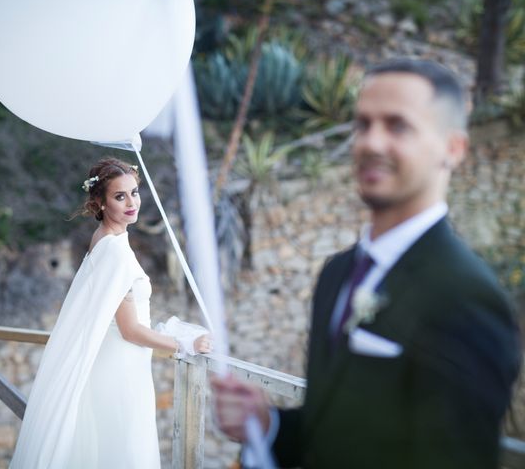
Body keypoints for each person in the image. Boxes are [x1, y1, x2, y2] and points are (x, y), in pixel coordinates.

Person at [212, 59, 522, 469]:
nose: (372, 142)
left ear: (453, 149)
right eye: (362, 124)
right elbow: (332, 433)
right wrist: (266, 424)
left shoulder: (467, 296)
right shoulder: (337, 273)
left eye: (398, 126)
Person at [10, 157, 211, 468]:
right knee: (125, 450)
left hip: (111, 361)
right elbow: (130, 330)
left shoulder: (104, 240)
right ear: (99, 203)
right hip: (121, 369)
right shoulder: (115, 252)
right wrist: (185, 344)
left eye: (135, 193)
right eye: (120, 196)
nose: (132, 203)